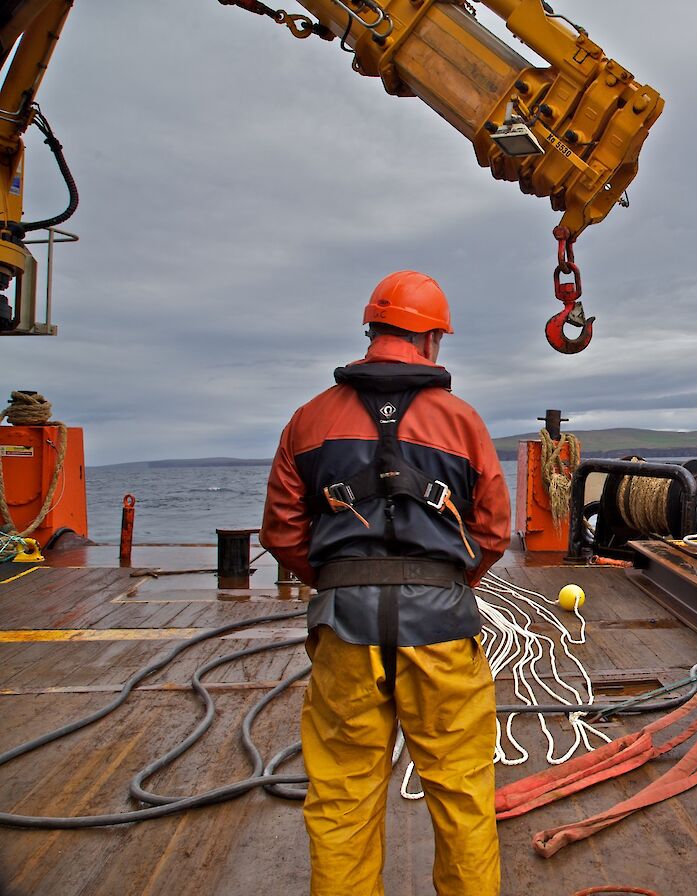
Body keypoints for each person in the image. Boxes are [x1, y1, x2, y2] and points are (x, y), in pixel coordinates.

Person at [260, 270, 511, 894]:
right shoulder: (464, 422)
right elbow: (494, 530)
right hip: (443, 632)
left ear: (372, 331)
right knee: (462, 795)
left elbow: (280, 531)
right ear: (430, 340)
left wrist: (340, 581)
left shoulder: (308, 420)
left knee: (343, 796)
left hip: (346, 631)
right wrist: (449, 584)